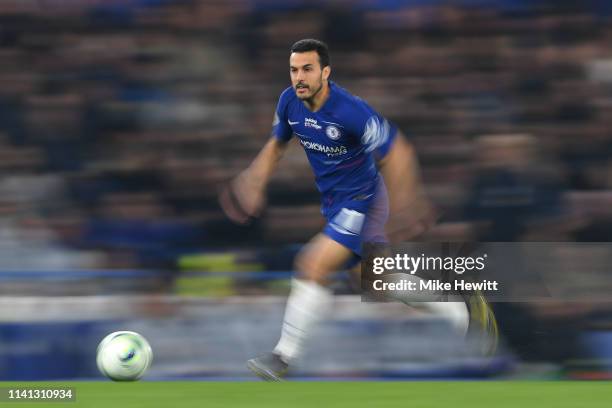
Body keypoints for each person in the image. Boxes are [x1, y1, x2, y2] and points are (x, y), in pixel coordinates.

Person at [220, 39, 470, 381]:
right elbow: (276, 145)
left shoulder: (350, 111)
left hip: (365, 201)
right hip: (336, 204)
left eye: (307, 69)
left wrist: (406, 205)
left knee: (311, 264)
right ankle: (452, 304)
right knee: (375, 283)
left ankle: (282, 357)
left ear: (325, 72)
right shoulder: (289, 102)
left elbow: (398, 151)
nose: (299, 77)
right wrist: (253, 180)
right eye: (294, 70)